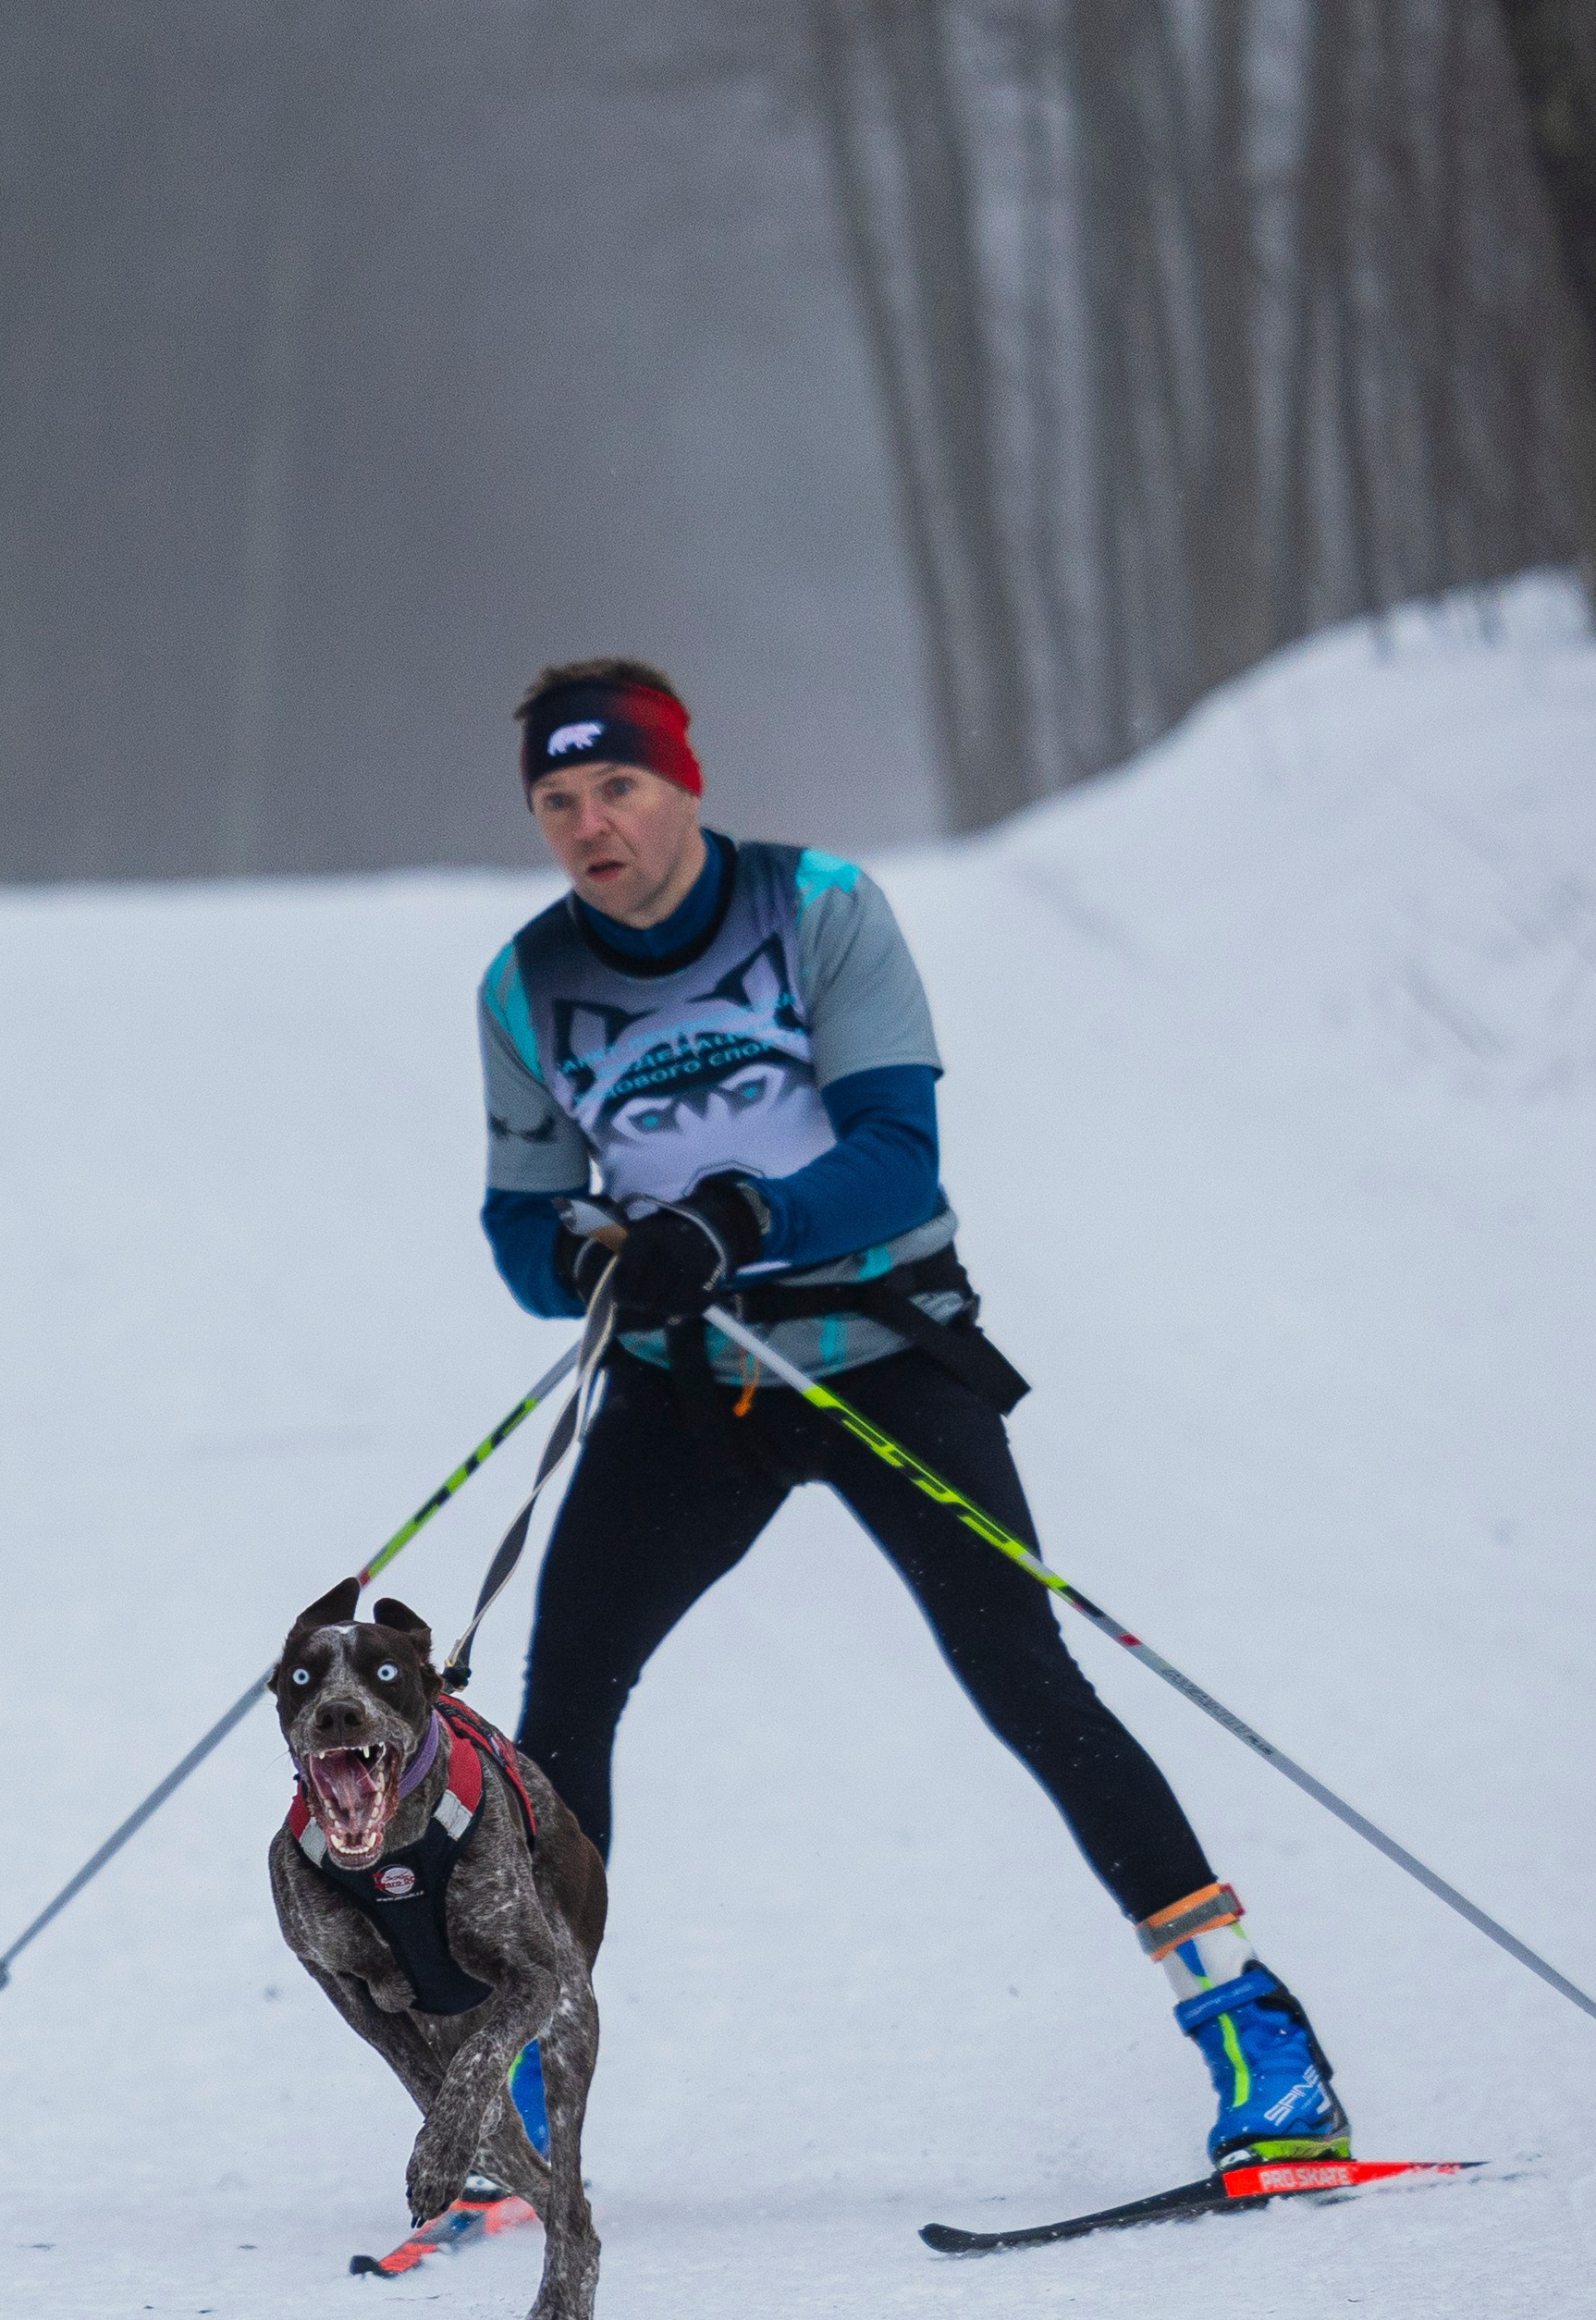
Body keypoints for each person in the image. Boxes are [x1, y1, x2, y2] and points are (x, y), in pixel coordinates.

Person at [476, 657, 1348, 2169]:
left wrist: (729, 1219)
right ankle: (531, 2083)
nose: (590, 824)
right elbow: (518, 1234)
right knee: (561, 1719)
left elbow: (898, 1155)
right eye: (558, 800)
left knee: (1024, 1675)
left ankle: (1257, 2040)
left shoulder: (817, 908)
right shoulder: (526, 981)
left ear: (684, 782)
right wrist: (587, 1256)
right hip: (690, 1387)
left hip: (886, 1352)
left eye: (617, 785)